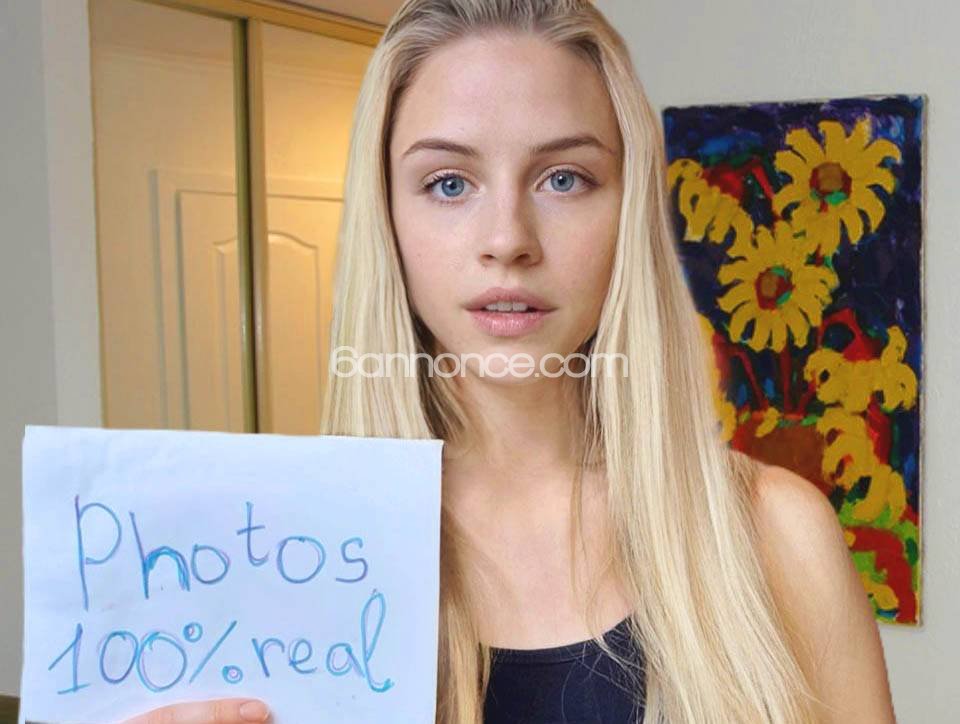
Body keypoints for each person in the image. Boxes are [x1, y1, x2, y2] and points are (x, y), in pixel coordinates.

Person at [123, 0, 897, 722]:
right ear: (386, 216)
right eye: (448, 183)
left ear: (627, 208)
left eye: (564, 179)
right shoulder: (270, 569)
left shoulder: (776, 538)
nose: (507, 238)